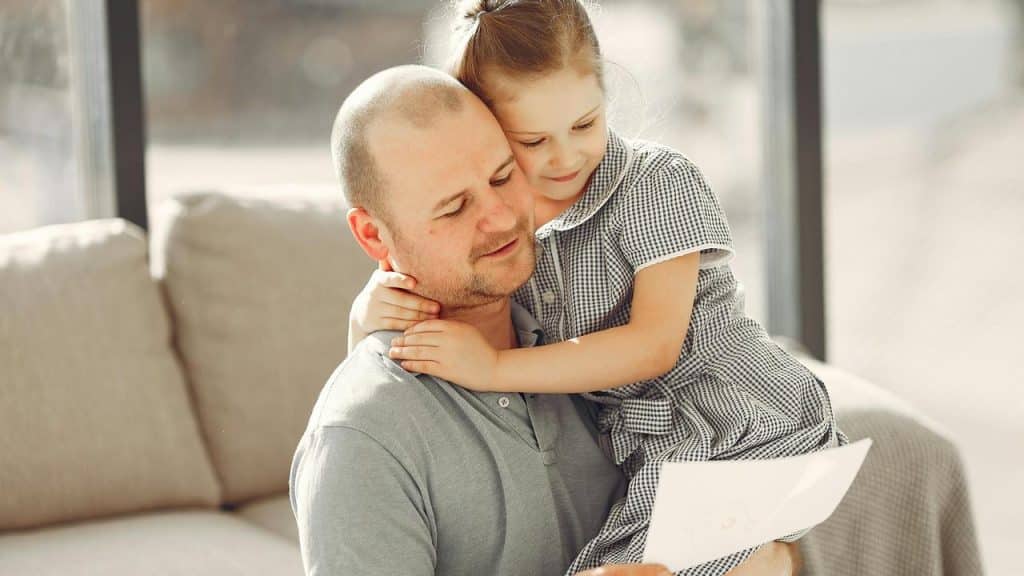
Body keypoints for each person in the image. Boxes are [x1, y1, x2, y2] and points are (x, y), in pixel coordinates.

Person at [347, 1, 846, 574]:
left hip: (738, 421)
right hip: (646, 453)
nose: (565, 157)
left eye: (585, 123)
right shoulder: (504, 229)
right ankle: (764, 562)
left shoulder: (657, 183)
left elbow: (654, 345)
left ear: (605, 91)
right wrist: (366, 317)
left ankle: (765, 561)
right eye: (531, 142)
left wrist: (492, 369)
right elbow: (418, 323)